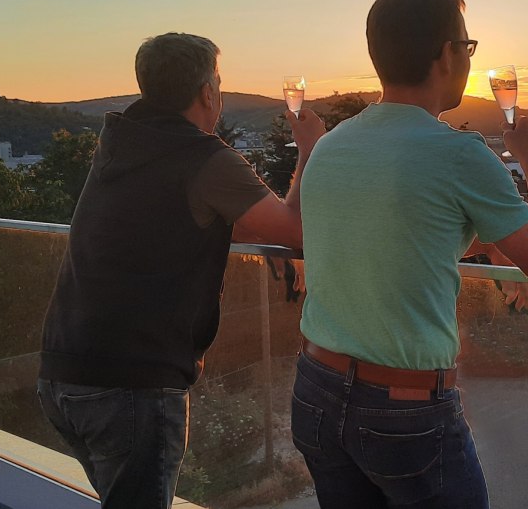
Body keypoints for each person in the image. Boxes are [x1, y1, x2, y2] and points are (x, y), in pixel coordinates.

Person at [291, 0, 528, 508]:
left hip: (315, 388)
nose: (467, 60)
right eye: (466, 47)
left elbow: (395, 233)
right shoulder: (457, 153)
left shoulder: (331, 146)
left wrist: (483, 245)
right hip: (403, 406)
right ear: (447, 54)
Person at [37, 32, 325, 507]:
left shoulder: (119, 142)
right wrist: (309, 148)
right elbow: (293, 231)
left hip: (63, 372)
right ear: (208, 92)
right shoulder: (205, 158)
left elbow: (163, 219)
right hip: (131, 383)